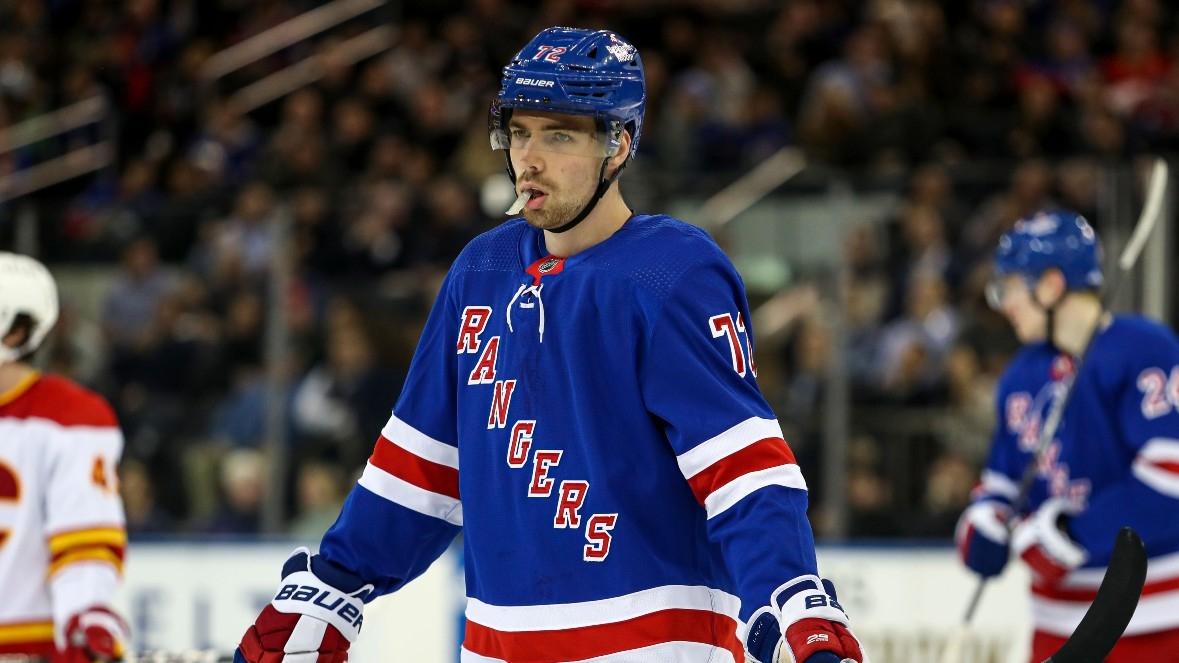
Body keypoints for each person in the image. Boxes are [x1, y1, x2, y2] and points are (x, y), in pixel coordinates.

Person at [235, 27, 863, 663]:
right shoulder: (481, 271)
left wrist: (791, 594)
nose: (527, 158)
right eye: (519, 131)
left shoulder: (671, 275)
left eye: (558, 134)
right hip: (494, 644)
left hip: (651, 645)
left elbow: (741, 465)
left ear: (617, 145)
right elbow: (421, 460)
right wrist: (332, 583)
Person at [955, 210, 1179, 662]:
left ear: (1051, 285)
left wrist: (1071, 532)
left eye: (1010, 289)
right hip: (1055, 630)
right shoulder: (1021, 374)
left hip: (1154, 621)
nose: (1005, 304)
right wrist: (985, 526)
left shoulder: (1144, 349)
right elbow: (1002, 483)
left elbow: (1171, 478)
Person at [0, 252, 129, 661]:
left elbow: (85, 545)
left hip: (27, 646)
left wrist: (87, 618)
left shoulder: (69, 419)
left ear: (16, 331)